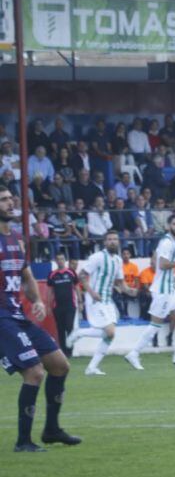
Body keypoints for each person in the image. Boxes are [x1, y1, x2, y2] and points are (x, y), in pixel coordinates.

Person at [1, 186, 80, 452]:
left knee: (59, 365)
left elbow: (26, 276)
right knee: (34, 372)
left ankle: (51, 430)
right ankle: (23, 441)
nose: (10, 203)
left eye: (11, 199)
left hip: (16, 315)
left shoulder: (14, 238)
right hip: (1, 318)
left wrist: (35, 300)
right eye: (3, 200)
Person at [125, 214, 175, 368]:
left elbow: (162, 266)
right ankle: (134, 353)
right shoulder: (167, 242)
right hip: (162, 291)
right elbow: (162, 265)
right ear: (168, 226)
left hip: (169, 289)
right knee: (155, 325)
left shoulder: (171, 242)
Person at [69, 230, 139, 375]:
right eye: (110, 239)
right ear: (105, 242)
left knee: (110, 335)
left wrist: (130, 291)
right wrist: (92, 292)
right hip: (95, 299)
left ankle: (91, 368)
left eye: (115, 239)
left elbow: (120, 283)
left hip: (108, 300)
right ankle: (79, 333)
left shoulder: (118, 260)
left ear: (118, 242)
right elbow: (82, 275)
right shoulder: (97, 257)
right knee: (110, 331)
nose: (113, 241)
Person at [46, 250, 79, 356]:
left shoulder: (71, 272)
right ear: (55, 261)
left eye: (62, 259)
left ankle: (70, 351)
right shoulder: (52, 274)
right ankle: (63, 352)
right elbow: (50, 291)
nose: (60, 261)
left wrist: (81, 301)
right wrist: (48, 305)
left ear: (65, 260)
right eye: (58, 259)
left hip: (70, 305)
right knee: (60, 329)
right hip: (57, 306)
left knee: (69, 328)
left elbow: (77, 287)